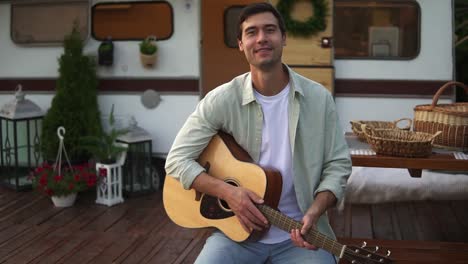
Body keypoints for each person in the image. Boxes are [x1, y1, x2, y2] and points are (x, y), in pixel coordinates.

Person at [165, 2, 351, 263]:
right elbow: (176, 161)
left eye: (270, 30)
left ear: (283, 38)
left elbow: (338, 165)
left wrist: (315, 212)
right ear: (241, 44)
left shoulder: (318, 99)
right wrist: (228, 192)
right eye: (252, 32)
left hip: (300, 237)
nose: (262, 38)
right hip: (235, 235)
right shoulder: (221, 100)